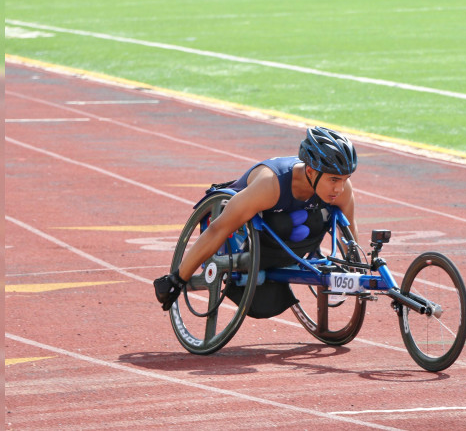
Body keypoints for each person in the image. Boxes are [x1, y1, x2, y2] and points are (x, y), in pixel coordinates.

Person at [153, 126, 359, 317]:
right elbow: (218, 229)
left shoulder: (340, 189)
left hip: (291, 240)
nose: (340, 189)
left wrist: (355, 271)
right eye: (333, 180)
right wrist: (177, 279)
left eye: (345, 178)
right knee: (282, 223)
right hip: (247, 238)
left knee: (314, 221)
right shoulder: (269, 185)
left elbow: (350, 235)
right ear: (311, 172)